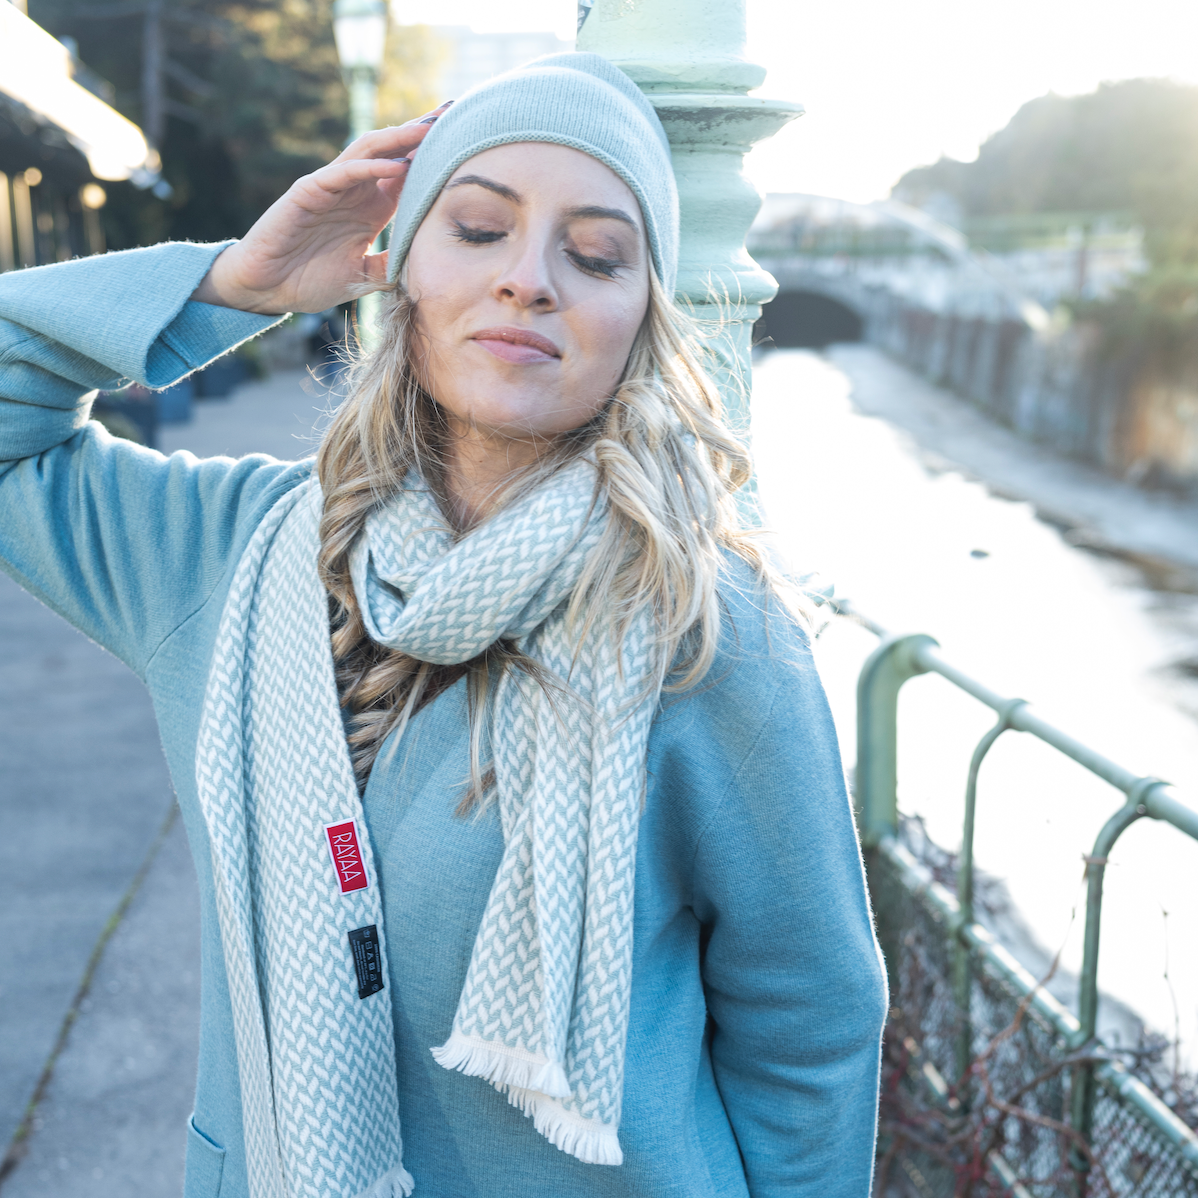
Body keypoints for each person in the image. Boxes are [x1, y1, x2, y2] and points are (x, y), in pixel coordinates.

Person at [0, 53, 886, 1198]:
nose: (530, 280)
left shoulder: (708, 631)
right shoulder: (224, 556)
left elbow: (808, 1031)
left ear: (641, 314)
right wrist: (234, 281)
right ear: (401, 265)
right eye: (475, 228)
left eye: (597, 253)